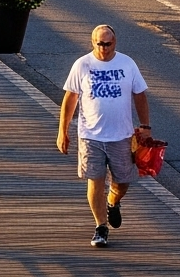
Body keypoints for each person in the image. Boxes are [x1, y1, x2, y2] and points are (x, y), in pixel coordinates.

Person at [57, 23, 152, 248]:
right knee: (94, 181)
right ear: (93, 43)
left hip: (121, 135)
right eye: (100, 43)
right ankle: (101, 226)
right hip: (91, 135)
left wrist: (145, 126)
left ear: (115, 43)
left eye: (108, 44)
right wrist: (63, 131)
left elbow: (140, 96)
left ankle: (113, 202)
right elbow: (70, 100)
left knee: (123, 181)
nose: (104, 48)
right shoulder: (82, 65)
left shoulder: (127, 64)